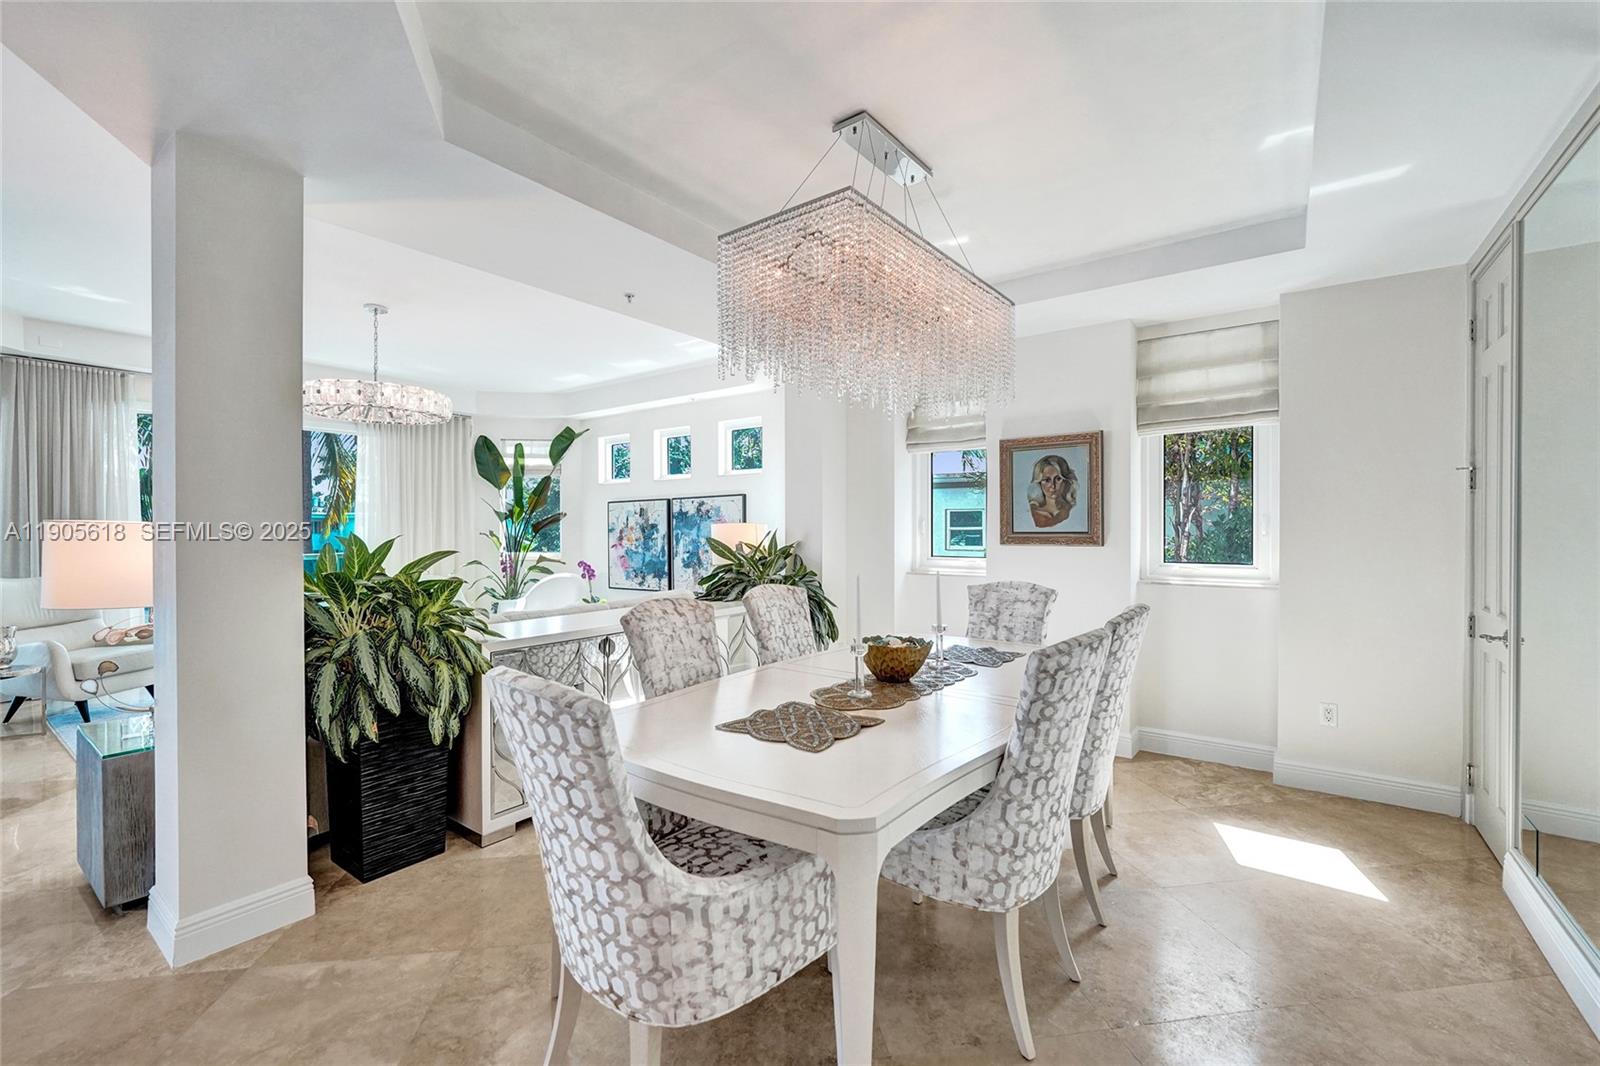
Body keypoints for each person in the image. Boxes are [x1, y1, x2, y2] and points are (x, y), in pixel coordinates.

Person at [1026, 454, 1078, 527]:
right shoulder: (1034, 512)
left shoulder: (1073, 510)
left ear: (1066, 481)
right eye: (1047, 480)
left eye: (1058, 479)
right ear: (1039, 482)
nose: (1053, 486)